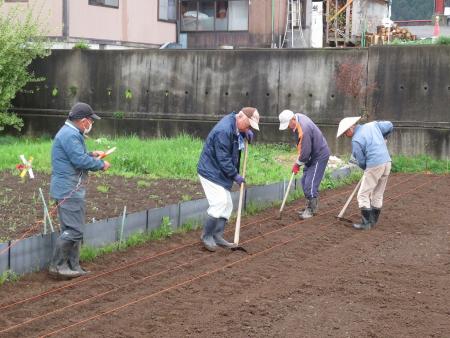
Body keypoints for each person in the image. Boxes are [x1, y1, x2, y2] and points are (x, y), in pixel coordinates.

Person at [48, 102, 110, 279]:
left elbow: (76, 156)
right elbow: (78, 161)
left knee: (73, 229)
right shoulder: (70, 135)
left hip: (71, 188)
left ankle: (73, 265)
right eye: (91, 121)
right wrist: (100, 164)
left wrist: (91, 154)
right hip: (69, 190)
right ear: (83, 121)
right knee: (74, 230)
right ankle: (58, 266)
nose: (91, 124)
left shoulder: (71, 133)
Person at [197, 107, 260, 252]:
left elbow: (233, 147)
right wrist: (235, 175)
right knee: (219, 203)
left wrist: (244, 134)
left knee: (228, 205)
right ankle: (206, 236)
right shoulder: (224, 131)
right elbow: (223, 159)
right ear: (241, 117)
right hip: (210, 171)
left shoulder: (235, 126)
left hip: (220, 171)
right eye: (249, 125)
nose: (249, 128)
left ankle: (217, 235)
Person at [336, 116, 393, 230]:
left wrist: (366, 169)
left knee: (363, 194)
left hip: (375, 165)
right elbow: (390, 125)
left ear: (350, 129)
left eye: (344, 134)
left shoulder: (356, 139)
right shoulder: (373, 125)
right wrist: (384, 137)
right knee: (378, 193)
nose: (345, 136)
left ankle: (366, 223)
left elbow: (361, 161)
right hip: (387, 162)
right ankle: (373, 221)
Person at [278, 110, 330, 219]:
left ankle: (312, 209)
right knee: (304, 180)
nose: (287, 127)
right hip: (312, 153)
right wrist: (299, 160)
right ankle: (309, 206)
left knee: (310, 184)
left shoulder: (304, 129)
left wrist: (297, 164)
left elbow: (305, 154)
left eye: (287, 124)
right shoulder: (298, 118)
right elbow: (304, 148)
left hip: (319, 155)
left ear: (292, 119)